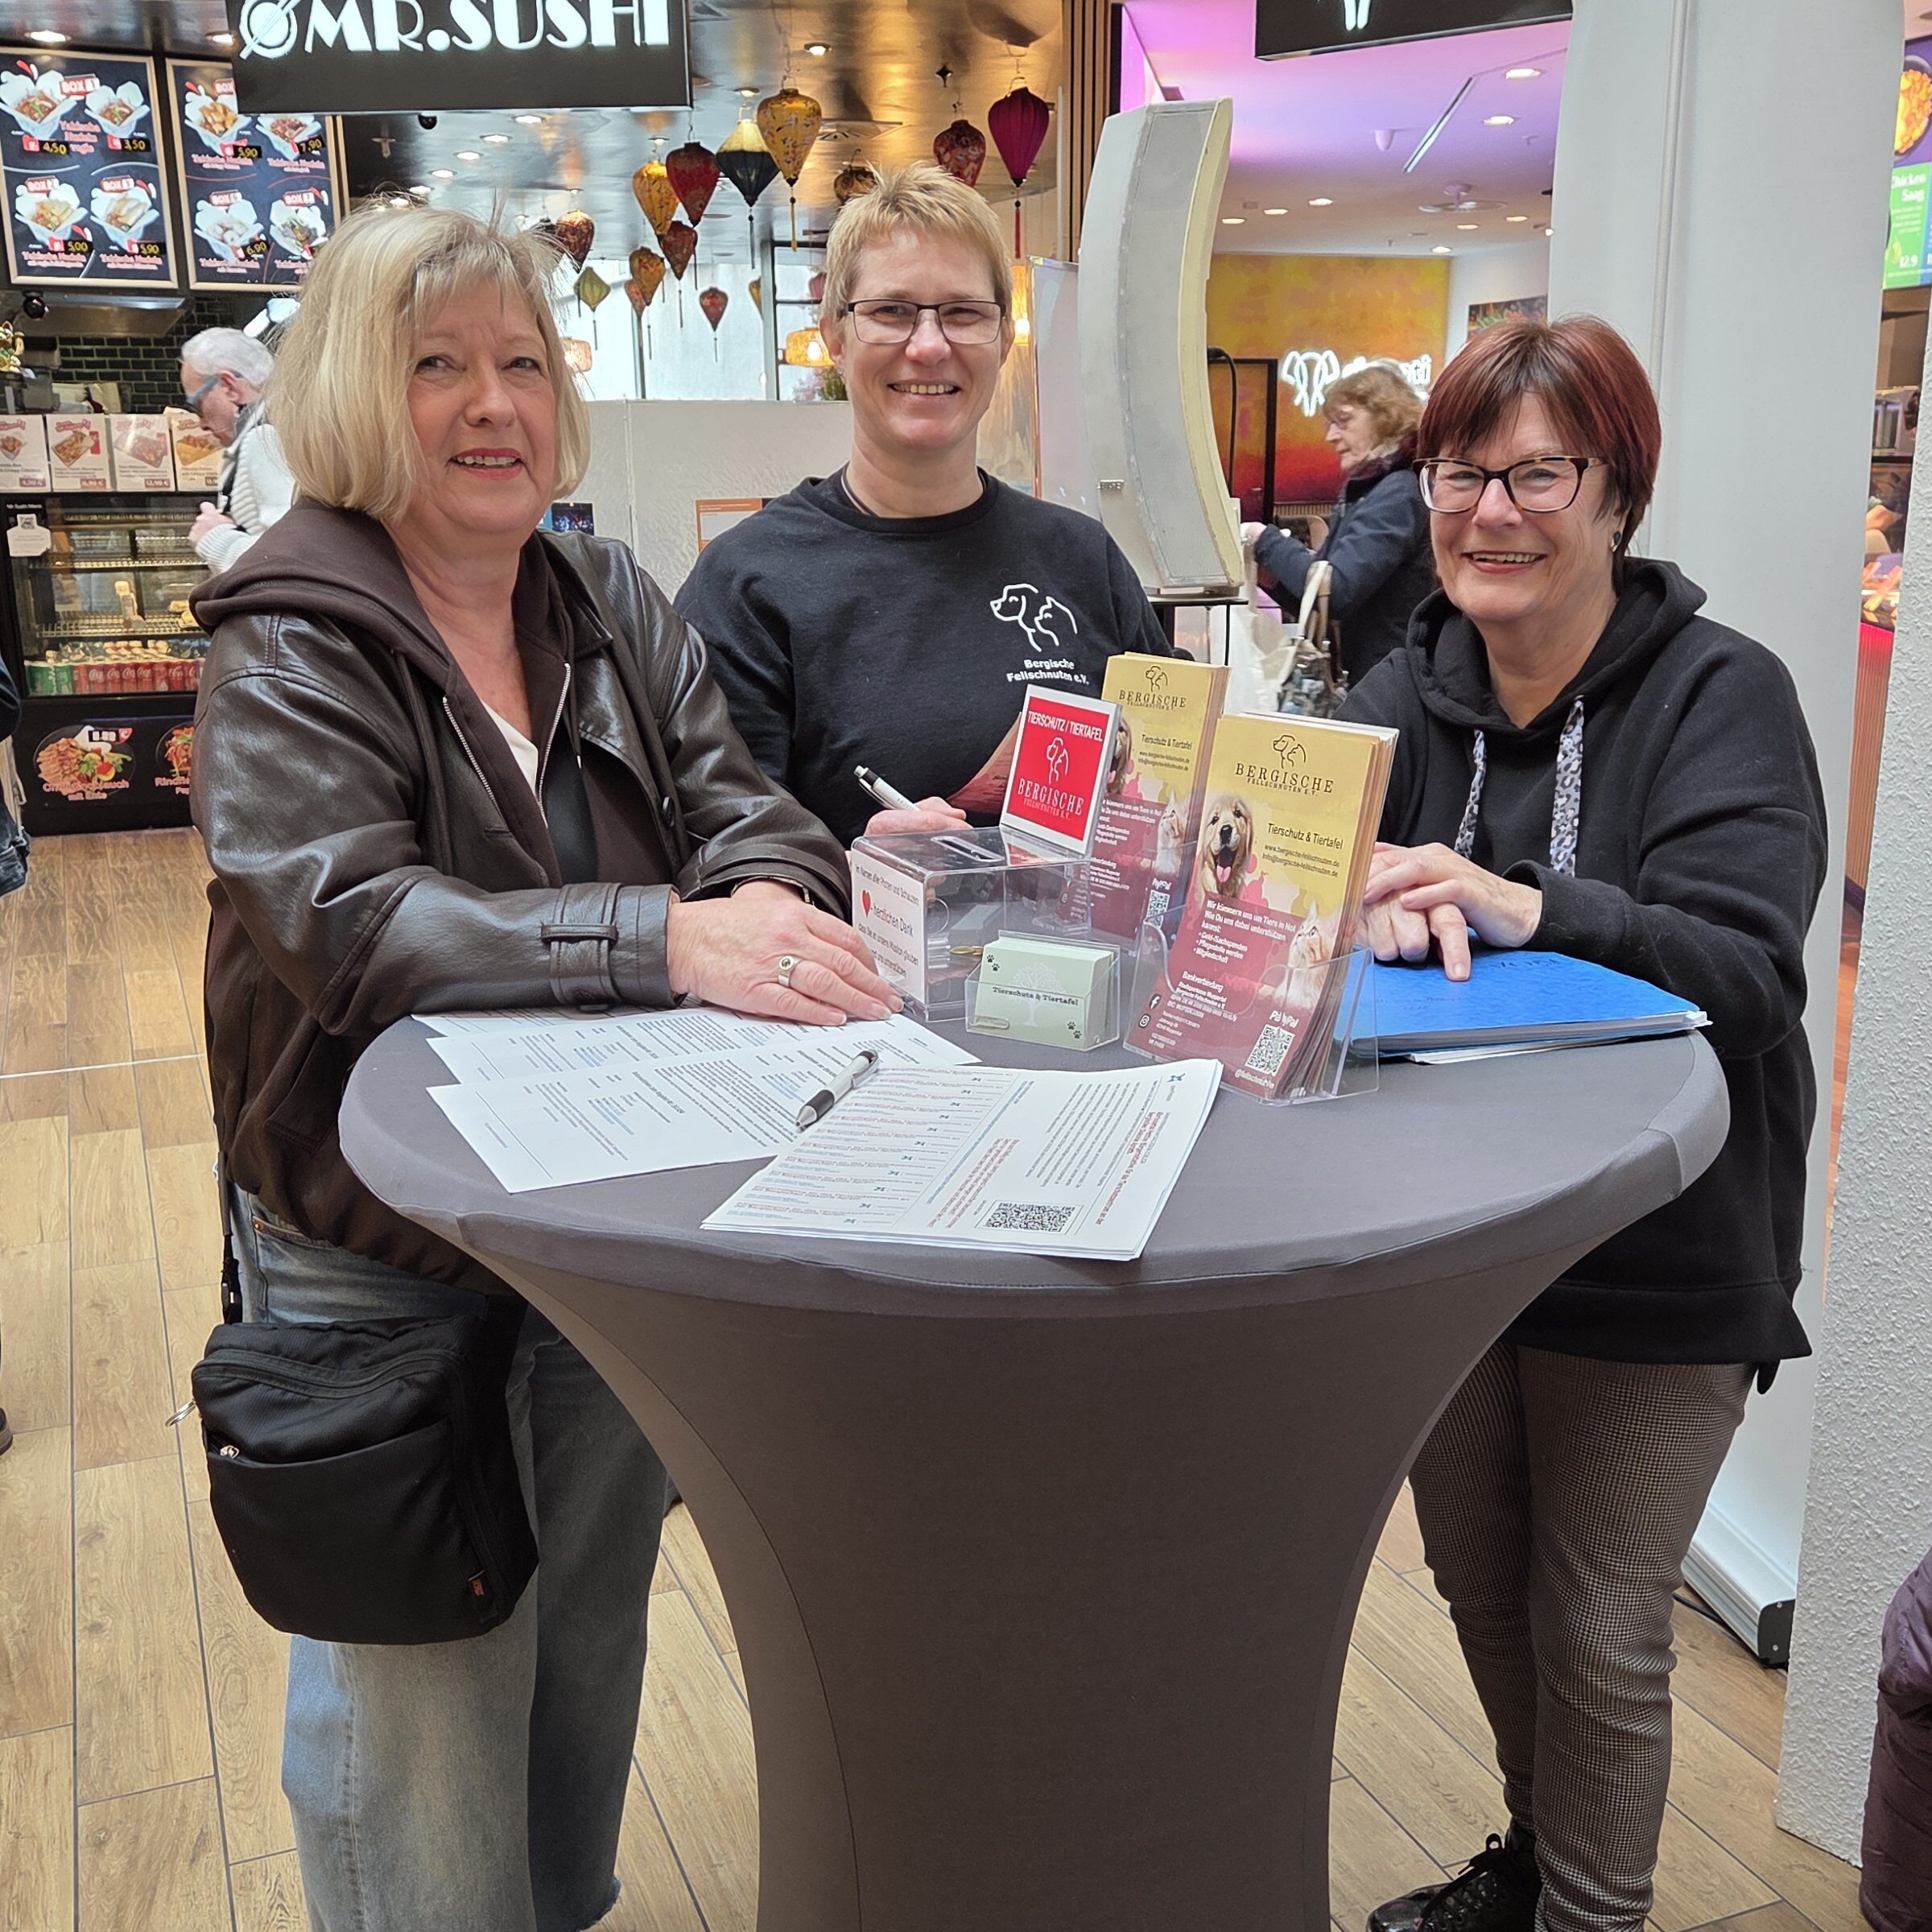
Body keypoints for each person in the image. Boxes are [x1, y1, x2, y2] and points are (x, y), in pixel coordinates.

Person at [188, 202, 895, 1932]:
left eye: (521, 360)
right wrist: (662, 938)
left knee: (586, 1629)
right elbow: (344, 919)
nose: (491, 403)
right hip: (377, 1254)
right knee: (420, 1697)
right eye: (437, 365)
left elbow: (753, 813)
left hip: (602, 1227)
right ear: (358, 389)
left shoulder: (599, 596)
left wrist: (774, 907)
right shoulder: (285, 630)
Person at [1340, 316, 1826, 1932]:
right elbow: (1315, 908)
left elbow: (1748, 974)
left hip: (1662, 1237)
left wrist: (1527, 900)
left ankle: (1593, 1917)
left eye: (1536, 472)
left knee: (1601, 1619)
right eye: (1458, 472)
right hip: (1453, 1232)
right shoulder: (1398, 699)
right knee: (1483, 1586)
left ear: (1617, 494)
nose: (1490, 511)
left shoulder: (1720, 696)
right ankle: (1539, 1865)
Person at [675, 161, 1171, 849]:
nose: (931, 345)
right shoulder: (746, 585)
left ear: (1003, 340)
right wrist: (861, 867)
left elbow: (1173, 792)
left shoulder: (1084, 561)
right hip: (856, 955)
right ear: (835, 337)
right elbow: (716, 854)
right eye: (892, 312)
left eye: (965, 312)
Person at [1241, 361, 1434, 689]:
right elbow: (1324, 602)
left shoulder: (1398, 493)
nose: (1330, 436)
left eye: (1342, 421)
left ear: (1386, 418)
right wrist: (1274, 581)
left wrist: (1265, 539)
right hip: (1372, 679)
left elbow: (1338, 590)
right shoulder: (1371, 490)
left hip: (1389, 685)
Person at [179, 325, 295, 571]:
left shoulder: (266, 438)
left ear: (229, 387)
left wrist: (215, 537)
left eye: (197, 405)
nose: (200, 423)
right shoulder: (278, 427)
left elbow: (292, 561)